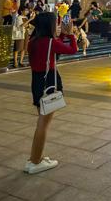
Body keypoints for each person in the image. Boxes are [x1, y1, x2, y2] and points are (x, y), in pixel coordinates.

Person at [25, 12, 76, 174]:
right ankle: (35, 162)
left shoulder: (33, 41)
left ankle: (35, 158)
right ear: (49, 25)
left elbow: (53, 47)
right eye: (56, 23)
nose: (58, 25)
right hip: (50, 83)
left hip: (37, 82)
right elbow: (72, 50)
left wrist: (62, 35)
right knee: (43, 124)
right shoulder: (50, 42)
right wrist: (70, 34)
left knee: (41, 121)